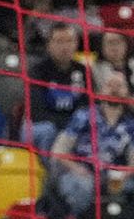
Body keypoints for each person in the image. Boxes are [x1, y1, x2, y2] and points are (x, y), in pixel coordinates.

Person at [49, 72, 134, 219]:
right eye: (110, 85)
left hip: (113, 177)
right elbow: (58, 152)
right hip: (80, 173)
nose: (114, 90)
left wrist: (123, 174)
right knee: (84, 185)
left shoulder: (133, 126)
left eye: (120, 86)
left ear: (127, 93)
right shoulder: (83, 116)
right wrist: (76, 168)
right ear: (100, 91)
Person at [26, 23, 92, 153]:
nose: (65, 47)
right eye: (59, 42)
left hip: (73, 126)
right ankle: (51, 172)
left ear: (76, 44)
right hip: (41, 125)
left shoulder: (83, 71)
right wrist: (67, 126)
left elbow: (88, 105)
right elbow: (36, 111)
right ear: (49, 45)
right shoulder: (37, 71)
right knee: (48, 130)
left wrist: (73, 126)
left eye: (69, 41)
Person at [91, 30, 134, 104]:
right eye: (110, 43)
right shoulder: (94, 69)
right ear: (101, 47)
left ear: (126, 44)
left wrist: (129, 99)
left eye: (118, 42)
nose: (114, 47)